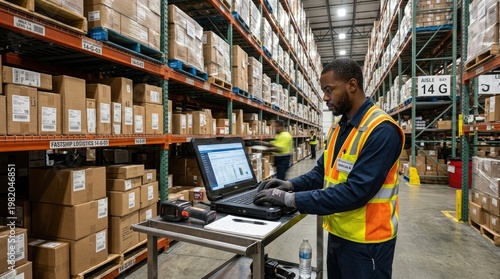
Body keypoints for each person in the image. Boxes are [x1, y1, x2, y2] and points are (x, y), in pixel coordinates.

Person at [254, 58, 404, 279]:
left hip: (368, 244)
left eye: (329, 90)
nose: (324, 97)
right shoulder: (338, 128)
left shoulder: (381, 130)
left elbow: (356, 192)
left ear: (351, 86)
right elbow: (321, 173)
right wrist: (289, 184)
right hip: (338, 233)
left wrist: (290, 199)